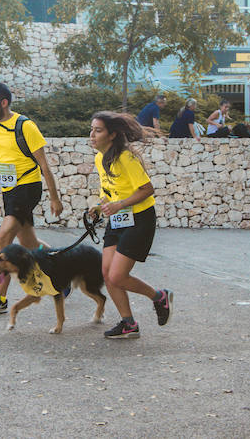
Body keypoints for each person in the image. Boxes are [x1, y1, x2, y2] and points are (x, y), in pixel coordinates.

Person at [0, 82, 63, 314]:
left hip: (27, 186)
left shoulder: (25, 126)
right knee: (29, 244)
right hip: (9, 190)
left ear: (4, 102)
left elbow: (44, 165)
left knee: (4, 237)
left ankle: (0, 298)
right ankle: (60, 266)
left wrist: (55, 198)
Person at [88, 111, 172, 339]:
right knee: (107, 273)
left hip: (139, 219)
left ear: (112, 134)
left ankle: (159, 296)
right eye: (92, 130)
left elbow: (147, 189)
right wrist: (98, 207)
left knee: (117, 276)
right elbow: (109, 191)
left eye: (98, 130)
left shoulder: (126, 158)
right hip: (118, 220)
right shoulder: (99, 158)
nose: (92, 135)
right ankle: (129, 324)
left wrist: (120, 204)